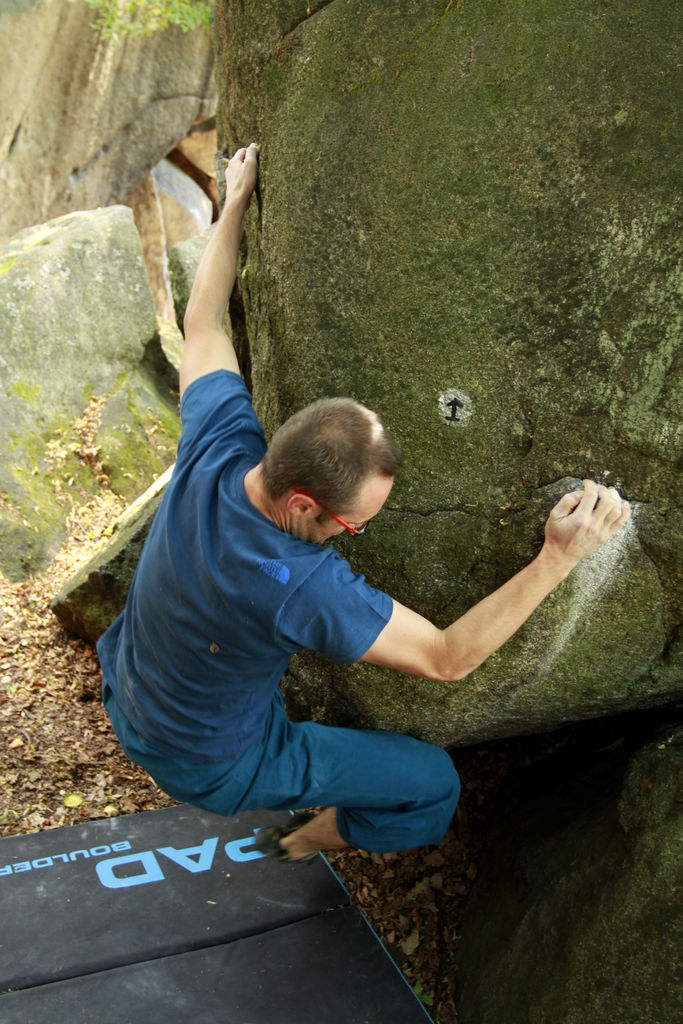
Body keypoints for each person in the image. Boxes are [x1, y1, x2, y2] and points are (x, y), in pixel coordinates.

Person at [97, 143, 631, 862]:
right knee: (431, 783)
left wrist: (237, 200)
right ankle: (317, 835)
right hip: (210, 761)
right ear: (300, 503)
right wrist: (560, 555)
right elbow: (447, 659)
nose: (351, 537)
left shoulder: (218, 445)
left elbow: (203, 323)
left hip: (127, 686)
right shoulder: (299, 586)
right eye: (351, 525)